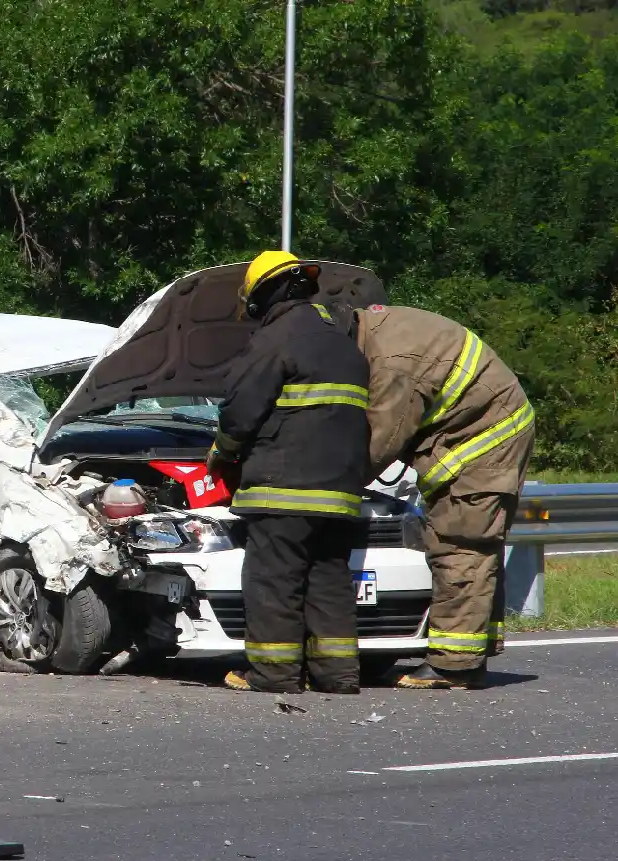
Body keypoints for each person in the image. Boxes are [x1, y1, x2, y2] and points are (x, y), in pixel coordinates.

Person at [323, 294, 535, 689]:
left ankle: (454, 667)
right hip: (479, 432)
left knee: (461, 544)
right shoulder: (374, 329)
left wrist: (330, 483)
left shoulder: (390, 363)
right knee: (472, 546)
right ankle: (472, 652)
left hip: (486, 440)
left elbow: (381, 441)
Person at [206, 251, 371, 694]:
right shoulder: (342, 341)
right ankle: (337, 676)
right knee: (329, 579)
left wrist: (222, 453)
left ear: (264, 295)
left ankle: (274, 673)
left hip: (284, 487)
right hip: (340, 492)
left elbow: (241, 412)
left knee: (273, 580)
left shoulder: (276, 337)